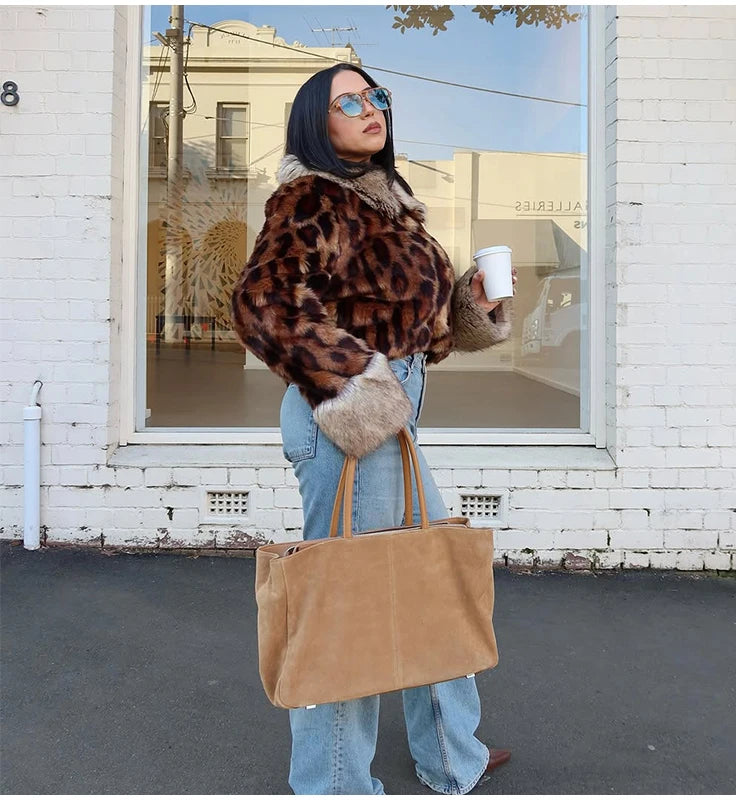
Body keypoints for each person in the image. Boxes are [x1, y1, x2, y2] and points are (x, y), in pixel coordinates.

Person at [230, 63, 517, 795]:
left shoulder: (391, 203)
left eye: (376, 96)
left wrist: (467, 306)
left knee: (427, 580)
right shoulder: (310, 198)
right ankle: (334, 783)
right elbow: (265, 306)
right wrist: (357, 385)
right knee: (346, 604)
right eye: (347, 101)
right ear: (314, 123)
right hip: (345, 418)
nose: (370, 108)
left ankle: (452, 754)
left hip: (391, 412)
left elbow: (410, 326)